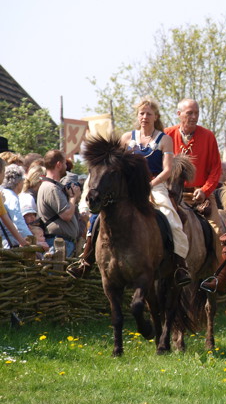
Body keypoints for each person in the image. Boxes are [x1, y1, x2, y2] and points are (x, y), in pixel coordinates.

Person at [68, 97, 191, 285]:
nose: (145, 117)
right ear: (138, 116)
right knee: (98, 218)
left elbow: (167, 169)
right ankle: (86, 259)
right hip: (128, 189)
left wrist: (151, 184)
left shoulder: (164, 139)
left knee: (171, 216)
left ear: (155, 116)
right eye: (142, 113)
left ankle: (180, 265)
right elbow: (114, 165)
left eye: (149, 113)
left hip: (155, 186)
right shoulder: (127, 138)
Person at [164, 98, 226, 294]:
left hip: (200, 195)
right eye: (189, 113)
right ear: (179, 114)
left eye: (196, 113)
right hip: (172, 195)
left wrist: (205, 190)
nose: (193, 116)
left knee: (219, 232)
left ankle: (219, 277)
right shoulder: (166, 135)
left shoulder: (208, 136)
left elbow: (216, 170)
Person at [37, 150, 81, 257]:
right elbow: (66, 215)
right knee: (55, 272)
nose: (66, 167)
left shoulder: (50, 186)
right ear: (59, 164)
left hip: (61, 242)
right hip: (58, 243)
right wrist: (73, 198)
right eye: (65, 164)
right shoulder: (51, 188)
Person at [1, 163, 31, 248]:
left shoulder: (3, 193)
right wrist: (31, 240)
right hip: (8, 244)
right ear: (19, 182)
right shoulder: (11, 197)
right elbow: (18, 222)